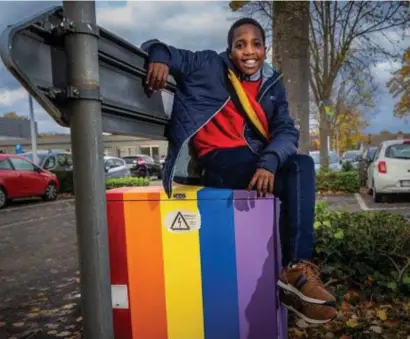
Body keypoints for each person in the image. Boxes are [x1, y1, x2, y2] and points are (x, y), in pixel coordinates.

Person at [141, 17, 337, 324]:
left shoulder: (272, 85)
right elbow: (160, 47)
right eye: (240, 45)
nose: (249, 51)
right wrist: (159, 58)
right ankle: (290, 282)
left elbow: (286, 130)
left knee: (302, 165)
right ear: (230, 51)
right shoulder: (207, 64)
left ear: (264, 49)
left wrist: (270, 161)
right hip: (218, 161)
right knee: (285, 175)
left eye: (256, 44)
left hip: (254, 160)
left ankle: (296, 270)